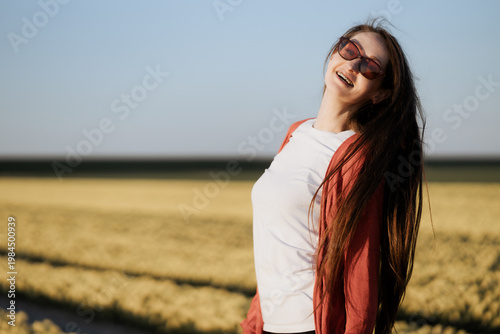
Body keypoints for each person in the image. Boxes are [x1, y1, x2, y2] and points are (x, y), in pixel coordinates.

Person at [241, 19, 428, 334]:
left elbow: (360, 266)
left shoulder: (359, 159)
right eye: (350, 49)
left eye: (370, 67)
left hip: (311, 325)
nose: (354, 63)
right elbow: (278, 244)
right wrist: (254, 322)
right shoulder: (295, 132)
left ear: (380, 94)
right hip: (271, 323)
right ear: (333, 54)